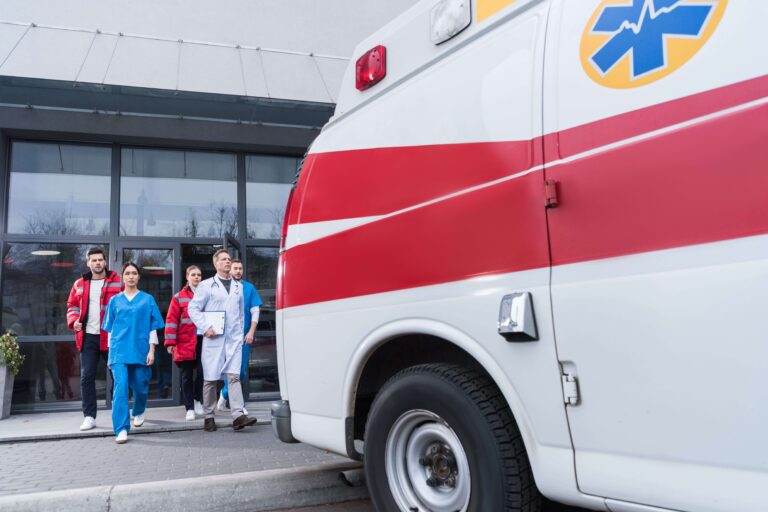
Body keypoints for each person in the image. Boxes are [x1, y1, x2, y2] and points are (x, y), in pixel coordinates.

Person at [187, 249, 258, 432]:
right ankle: (209, 416)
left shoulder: (238, 287)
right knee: (210, 379)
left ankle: (237, 415)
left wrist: (241, 333)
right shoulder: (206, 285)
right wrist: (205, 327)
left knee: (234, 376)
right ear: (216, 263)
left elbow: (241, 313)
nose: (227, 262)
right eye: (224, 259)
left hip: (234, 339)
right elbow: (193, 309)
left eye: (229, 259)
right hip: (214, 338)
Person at [101, 262, 164, 444]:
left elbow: (153, 327)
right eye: (127, 273)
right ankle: (121, 429)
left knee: (141, 386)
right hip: (119, 350)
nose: (130, 276)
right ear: (123, 277)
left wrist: (152, 350)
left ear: (138, 277)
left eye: (134, 273)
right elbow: (110, 330)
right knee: (120, 388)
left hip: (140, 349)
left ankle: (139, 410)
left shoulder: (147, 299)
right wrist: (110, 355)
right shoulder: (114, 301)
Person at [66, 247, 122, 431]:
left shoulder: (118, 282)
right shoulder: (79, 284)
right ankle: (89, 416)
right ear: (88, 263)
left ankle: (118, 413)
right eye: (94, 260)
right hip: (88, 337)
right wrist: (74, 321)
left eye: (100, 260)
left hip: (111, 337)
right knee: (86, 377)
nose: (97, 263)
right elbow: (72, 306)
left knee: (118, 376)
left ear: (105, 262)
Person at [218, 259, 262, 415]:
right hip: (223, 336)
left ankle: (223, 396)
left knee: (240, 372)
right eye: (235, 268)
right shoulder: (222, 287)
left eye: (240, 268)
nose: (238, 271)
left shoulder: (249, 288)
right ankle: (237, 405)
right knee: (226, 369)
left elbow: (255, 311)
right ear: (229, 270)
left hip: (243, 336)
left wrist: (251, 332)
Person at [164, 265, 204, 421]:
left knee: (202, 373)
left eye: (199, 275)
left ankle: (197, 400)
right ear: (187, 277)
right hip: (184, 341)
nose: (196, 277)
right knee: (186, 375)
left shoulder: (207, 295)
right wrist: (170, 342)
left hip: (203, 339)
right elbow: (171, 320)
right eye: (193, 274)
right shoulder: (178, 297)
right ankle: (189, 408)